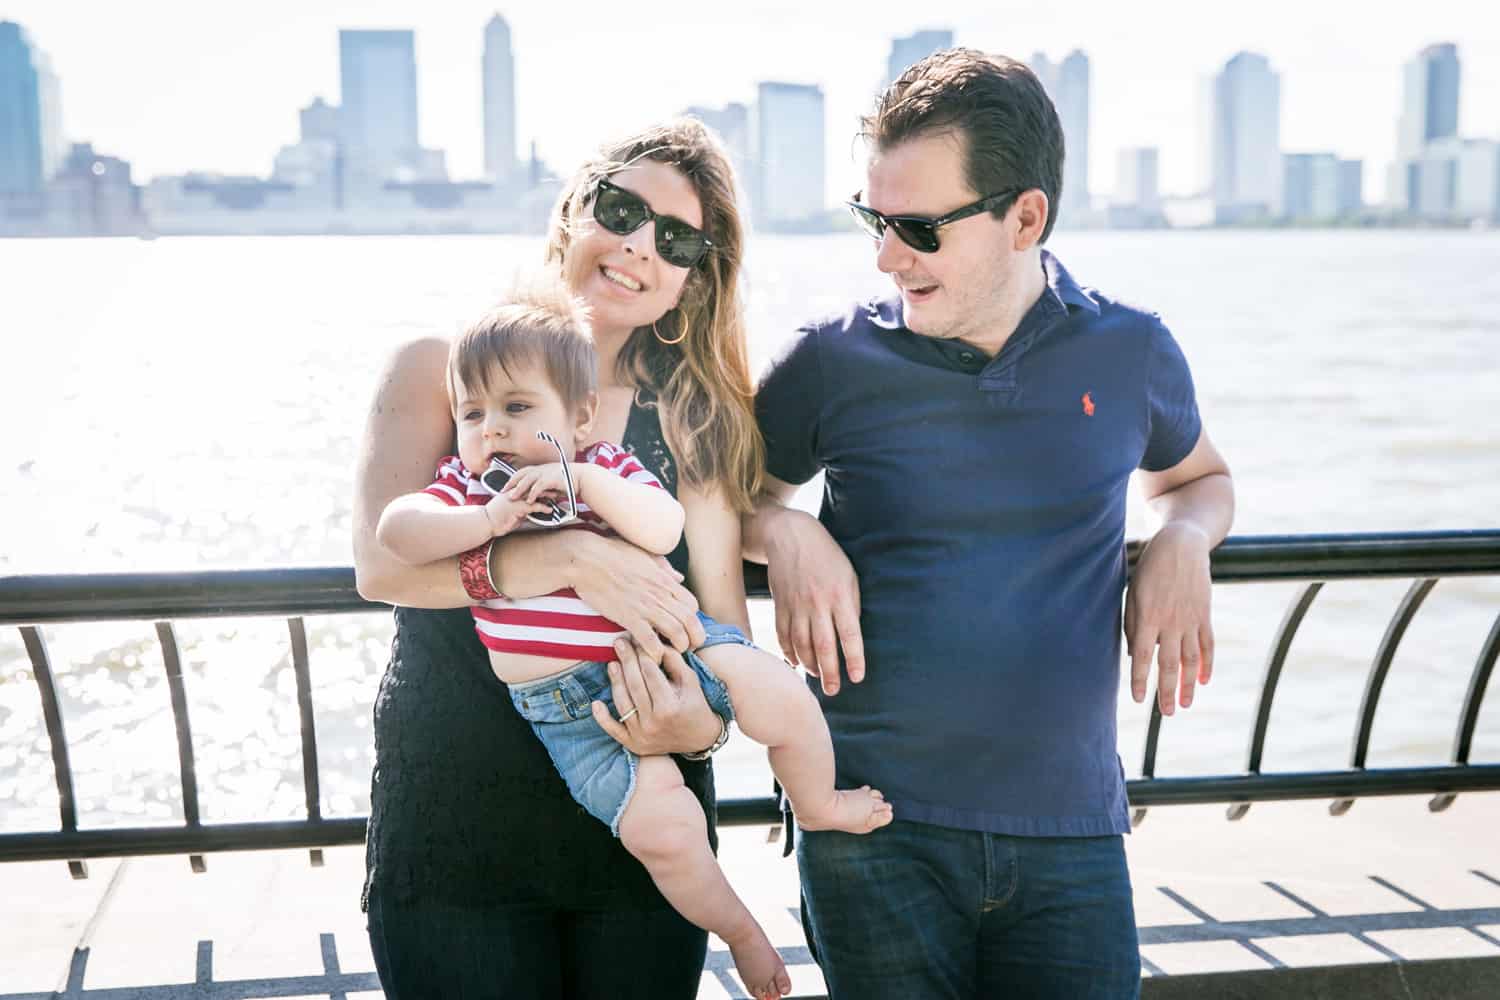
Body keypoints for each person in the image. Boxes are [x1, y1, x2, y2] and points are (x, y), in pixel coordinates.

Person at [744, 49, 1236, 999]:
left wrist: (1181, 537)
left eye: (919, 228)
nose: (888, 256)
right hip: (870, 828)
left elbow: (1200, 478)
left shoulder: (1131, 350)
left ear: (1026, 217)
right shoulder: (830, 362)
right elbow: (723, 504)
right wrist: (787, 532)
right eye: (875, 222)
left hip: (1073, 837)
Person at [374, 279, 890, 999]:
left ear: (580, 419)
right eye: (473, 413)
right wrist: (488, 521)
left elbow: (664, 529)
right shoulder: (465, 487)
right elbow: (395, 535)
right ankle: (743, 930)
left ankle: (815, 803)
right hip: (565, 711)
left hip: (667, 654)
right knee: (665, 833)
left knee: (782, 698)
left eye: (518, 410)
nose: (492, 428)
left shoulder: (608, 467)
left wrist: (583, 480)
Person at [354, 120, 772, 999]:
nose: (636, 246)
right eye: (619, 209)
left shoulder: (692, 418)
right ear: (573, 211)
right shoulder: (441, 366)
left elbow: (722, 623)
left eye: (677, 238)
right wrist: (569, 556)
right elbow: (381, 569)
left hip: (645, 825)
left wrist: (704, 725)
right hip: (456, 828)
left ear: (693, 280)